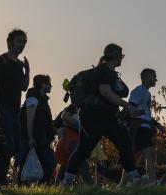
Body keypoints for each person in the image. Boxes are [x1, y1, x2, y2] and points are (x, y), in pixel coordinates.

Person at [60, 44, 142, 186]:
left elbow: (121, 90)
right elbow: (105, 92)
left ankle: (134, 178)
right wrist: (127, 106)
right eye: (121, 55)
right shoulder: (101, 72)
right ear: (115, 55)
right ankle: (66, 180)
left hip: (105, 116)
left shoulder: (112, 74)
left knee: (122, 142)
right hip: (95, 116)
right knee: (87, 148)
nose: (122, 59)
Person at [0, 29, 30, 187]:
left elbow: (24, 88)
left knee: (16, 146)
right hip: (1, 108)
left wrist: (27, 70)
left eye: (24, 42)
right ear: (11, 42)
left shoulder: (19, 64)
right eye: (19, 41)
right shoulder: (1, 61)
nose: (22, 45)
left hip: (14, 109)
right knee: (7, 145)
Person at [18, 74, 56, 183]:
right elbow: (30, 119)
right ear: (43, 84)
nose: (51, 86)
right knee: (28, 163)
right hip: (33, 138)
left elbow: (44, 120)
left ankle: (41, 186)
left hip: (41, 138)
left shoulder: (43, 100)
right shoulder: (33, 98)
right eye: (49, 84)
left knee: (48, 162)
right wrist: (30, 138)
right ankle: (23, 186)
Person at [127, 68, 159, 185]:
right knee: (150, 153)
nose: (156, 79)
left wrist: (156, 124)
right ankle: (152, 182)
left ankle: (123, 183)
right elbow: (131, 108)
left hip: (144, 127)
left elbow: (144, 112)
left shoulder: (147, 93)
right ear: (146, 77)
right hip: (139, 127)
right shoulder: (138, 91)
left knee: (134, 157)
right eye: (154, 76)